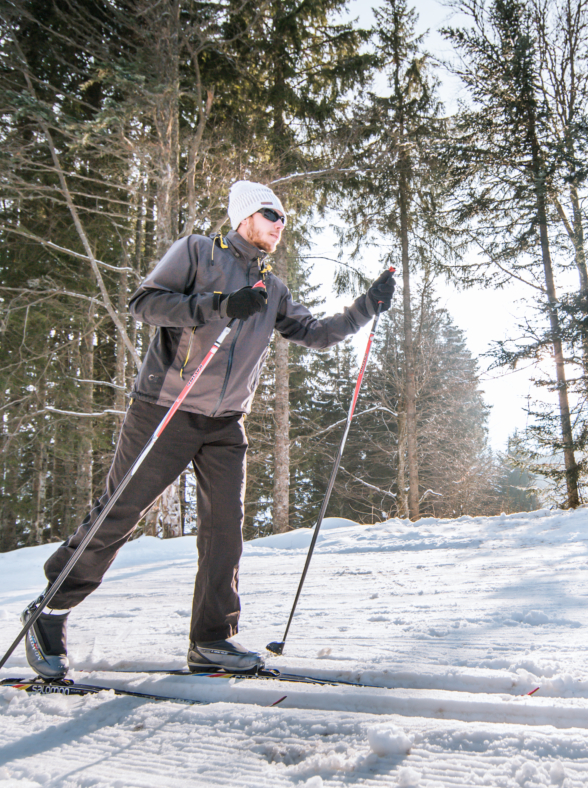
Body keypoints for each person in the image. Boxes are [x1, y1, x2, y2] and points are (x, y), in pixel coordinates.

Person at [22, 180, 395, 677]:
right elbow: (145, 303)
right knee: (119, 513)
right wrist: (218, 305)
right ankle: (49, 612)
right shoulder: (197, 252)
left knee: (225, 531)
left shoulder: (273, 288)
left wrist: (366, 305)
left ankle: (213, 638)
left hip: (226, 423)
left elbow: (317, 333)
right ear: (243, 216)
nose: (280, 225)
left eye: (285, 218)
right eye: (271, 214)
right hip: (166, 409)